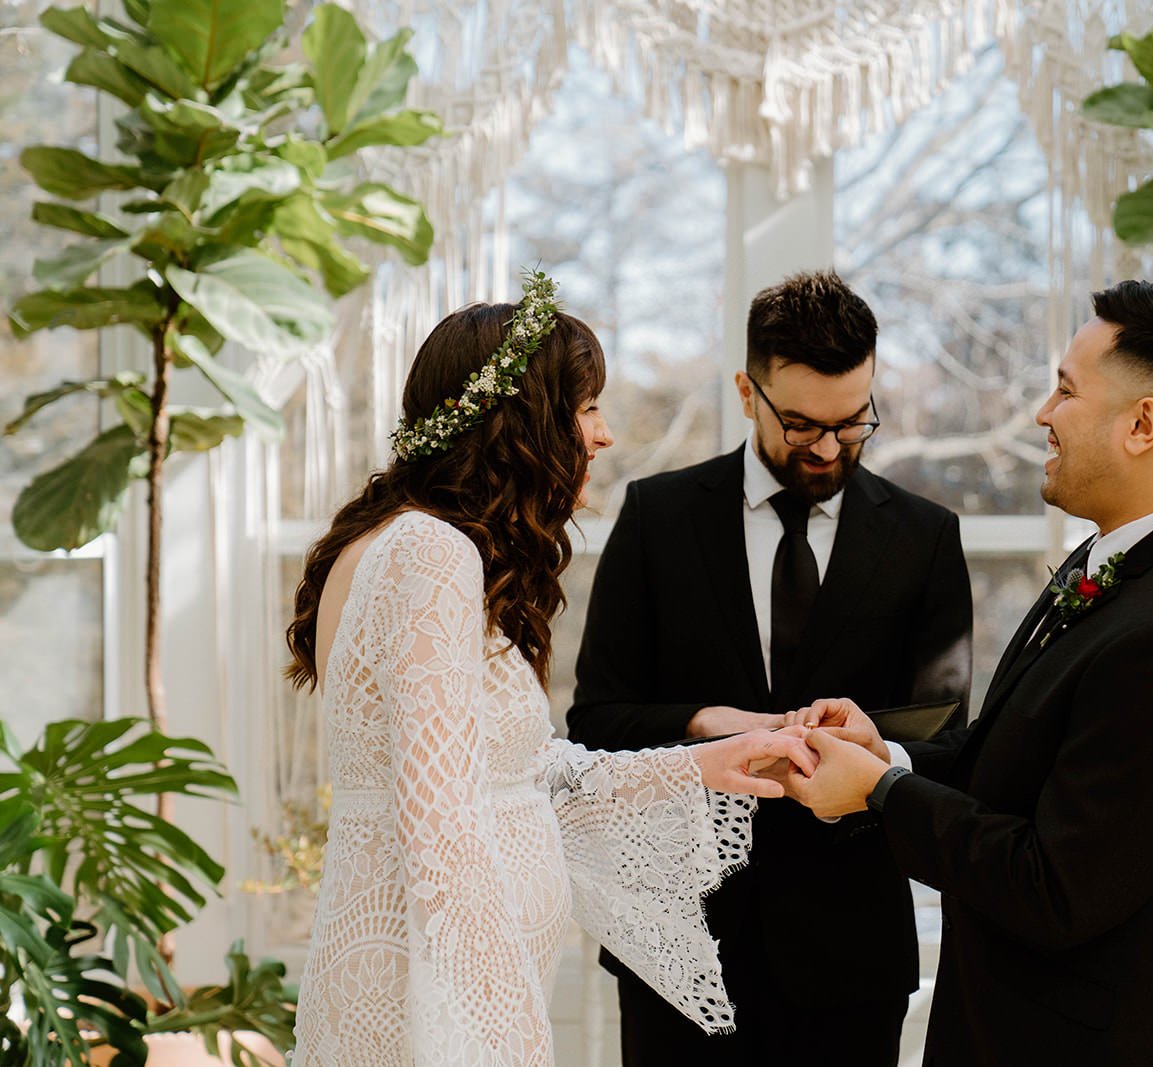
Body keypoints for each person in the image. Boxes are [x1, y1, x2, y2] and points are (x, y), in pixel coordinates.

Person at [283, 271, 818, 1067]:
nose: (603, 435)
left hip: (420, 987)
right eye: (588, 407)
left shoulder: (406, 541)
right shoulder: (432, 554)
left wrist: (705, 763)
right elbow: (444, 842)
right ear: (524, 423)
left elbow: (521, 778)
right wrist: (513, 1038)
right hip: (424, 1010)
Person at [778, 280, 1153, 1065]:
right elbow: (1020, 755)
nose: (1044, 413)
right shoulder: (1122, 556)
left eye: (1066, 389)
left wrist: (878, 794)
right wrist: (890, 753)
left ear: (1142, 425)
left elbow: (1056, 886)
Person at [566, 269, 973, 1066]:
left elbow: (947, 742)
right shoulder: (656, 518)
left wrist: (863, 754)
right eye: (801, 423)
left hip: (852, 949)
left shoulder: (925, 537)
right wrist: (703, 725)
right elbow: (596, 722)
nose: (826, 447)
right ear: (747, 393)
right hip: (679, 945)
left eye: (853, 423)